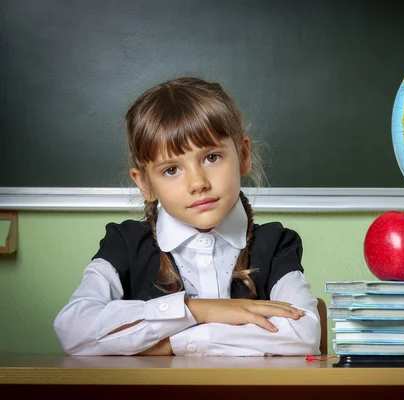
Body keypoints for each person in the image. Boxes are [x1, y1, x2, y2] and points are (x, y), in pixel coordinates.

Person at [53, 77, 321, 356]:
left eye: (212, 157)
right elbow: (73, 329)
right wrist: (198, 310)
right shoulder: (125, 243)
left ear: (242, 154)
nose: (197, 183)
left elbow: (304, 335)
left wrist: (172, 344)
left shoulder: (276, 244)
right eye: (171, 170)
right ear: (144, 183)